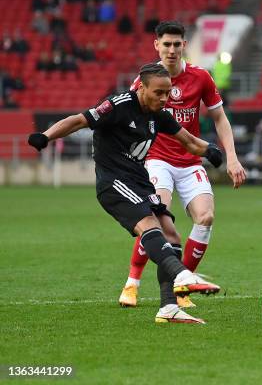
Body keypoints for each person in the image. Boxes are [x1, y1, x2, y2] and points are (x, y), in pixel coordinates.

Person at [28, 63, 224, 324]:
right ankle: (182, 275)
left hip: (139, 181)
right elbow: (77, 120)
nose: (165, 99)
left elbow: (188, 141)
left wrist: (210, 150)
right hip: (114, 182)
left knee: (171, 234)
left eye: (168, 93)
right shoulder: (118, 105)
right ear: (142, 88)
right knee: (150, 227)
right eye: (159, 93)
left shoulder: (160, 114)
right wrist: (45, 136)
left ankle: (168, 308)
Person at [119, 21, 246, 308]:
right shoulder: (145, 79)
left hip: (190, 161)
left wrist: (232, 157)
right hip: (156, 159)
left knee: (206, 217)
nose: (172, 50)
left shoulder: (201, 77)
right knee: (155, 219)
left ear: (184, 46)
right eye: (166, 44)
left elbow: (220, 118)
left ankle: (182, 287)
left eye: (177, 44)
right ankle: (132, 283)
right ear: (157, 45)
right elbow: (128, 119)